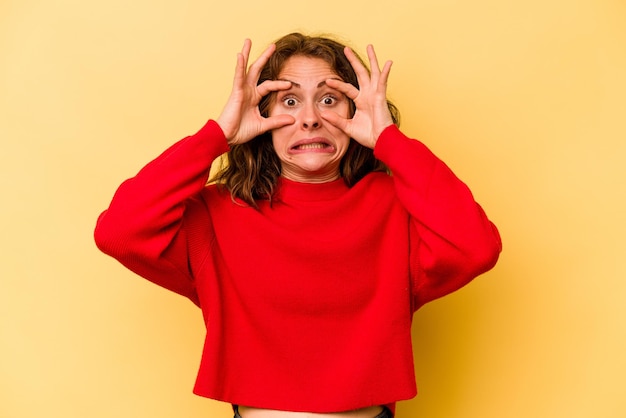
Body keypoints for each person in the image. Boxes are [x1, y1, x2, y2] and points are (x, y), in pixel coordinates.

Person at [94, 32, 502, 418]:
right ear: (261, 114)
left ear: (356, 112)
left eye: (329, 100)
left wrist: (389, 140)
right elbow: (120, 231)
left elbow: (475, 248)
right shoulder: (219, 213)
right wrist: (218, 135)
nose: (309, 119)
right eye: (289, 101)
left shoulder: (398, 208)